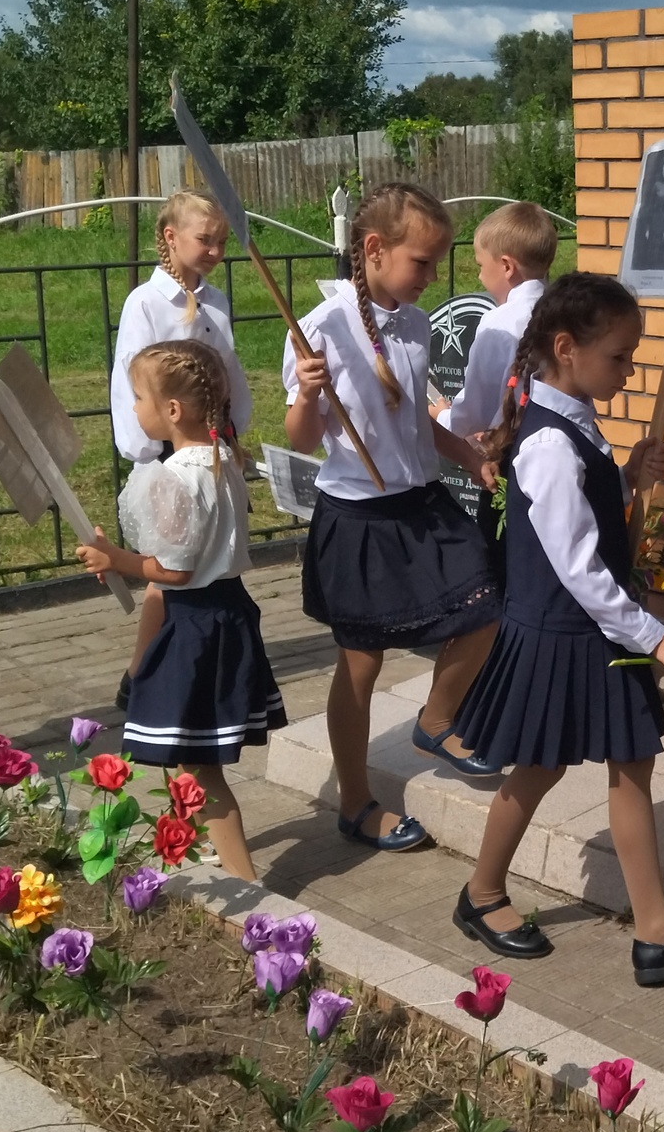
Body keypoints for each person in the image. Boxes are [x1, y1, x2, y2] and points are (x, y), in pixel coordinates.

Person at [449, 273, 664, 988]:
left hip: (592, 629)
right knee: (538, 766)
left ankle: (655, 933)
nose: (629, 368)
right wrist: (658, 637)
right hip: (563, 630)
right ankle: (481, 893)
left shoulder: (571, 417)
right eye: (619, 356)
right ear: (565, 348)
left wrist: (625, 479)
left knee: (632, 761)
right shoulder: (549, 443)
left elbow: (584, 511)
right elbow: (579, 566)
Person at [285, 182, 504, 849]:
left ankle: (435, 720)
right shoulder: (319, 329)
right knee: (362, 664)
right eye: (423, 262)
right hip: (358, 518)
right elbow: (299, 438)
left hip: (421, 503)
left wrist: (465, 453)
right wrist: (309, 394)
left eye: (439, 263)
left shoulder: (412, 323)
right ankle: (356, 801)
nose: (433, 276)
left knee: (488, 604)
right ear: (374, 249)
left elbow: (412, 419)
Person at [77, 338, 271, 882]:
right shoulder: (223, 459)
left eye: (138, 397)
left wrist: (117, 558)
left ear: (172, 411)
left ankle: (246, 881)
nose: (133, 408)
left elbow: (175, 571)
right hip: (225, 614)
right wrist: (124, 560)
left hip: (195, 628)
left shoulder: (172, 478)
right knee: (188, 758)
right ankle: (199, 849)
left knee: (201, 769)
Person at [108, 189, 256, 712]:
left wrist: (233, 427)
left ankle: (147, 669)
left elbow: (226, 369)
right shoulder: (145, 303)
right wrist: (148, 450)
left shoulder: (214, 300)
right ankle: (142, 670)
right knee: (166, 570)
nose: (215, 250)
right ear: (170, 238)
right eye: (204, 239)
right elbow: (134, 379)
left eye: (221, 241)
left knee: (181, 568)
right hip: (170, 451)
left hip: (210, 444)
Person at [441, 200, 557, 441]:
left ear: (506, 267)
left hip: (515, 447)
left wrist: (443, 416)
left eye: (481, 265)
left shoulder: (498, 323)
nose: (479, 275)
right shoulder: (563, 310)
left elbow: (475, 411)